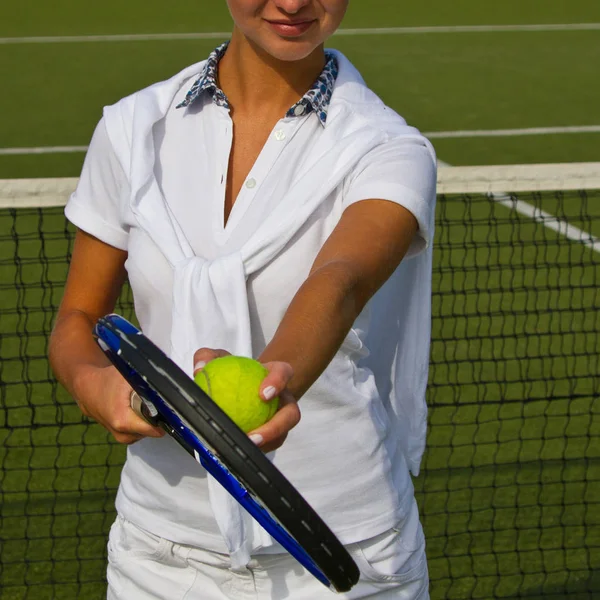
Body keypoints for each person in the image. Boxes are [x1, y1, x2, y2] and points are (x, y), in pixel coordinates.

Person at [49, 0, 437, 598]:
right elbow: (78, 316)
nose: (292, 3)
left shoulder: (391, 148)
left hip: (348, 546)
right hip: (160, 556)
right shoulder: (130, 128)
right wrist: (94, 386)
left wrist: (273, 378)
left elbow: (340, 278)